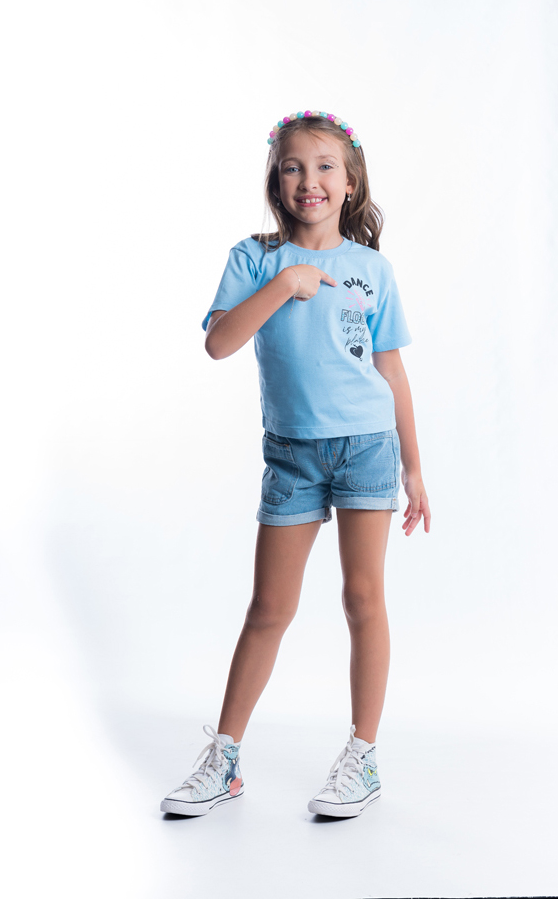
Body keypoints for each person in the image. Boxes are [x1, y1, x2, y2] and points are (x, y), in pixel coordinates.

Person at [160, 110, 431, 819]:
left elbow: (391, 371)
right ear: (276, 182)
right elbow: (219, 343)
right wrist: (286, 284)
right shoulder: (255, 259)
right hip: (291, 453)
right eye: (292, 167)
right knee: (269, 608)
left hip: (368, 446)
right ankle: (224, 759)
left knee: (363, 600)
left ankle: (363, 757)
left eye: (324, 167)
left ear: (350, 183)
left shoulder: (373, 270)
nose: (309, 180)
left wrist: (414, 469)